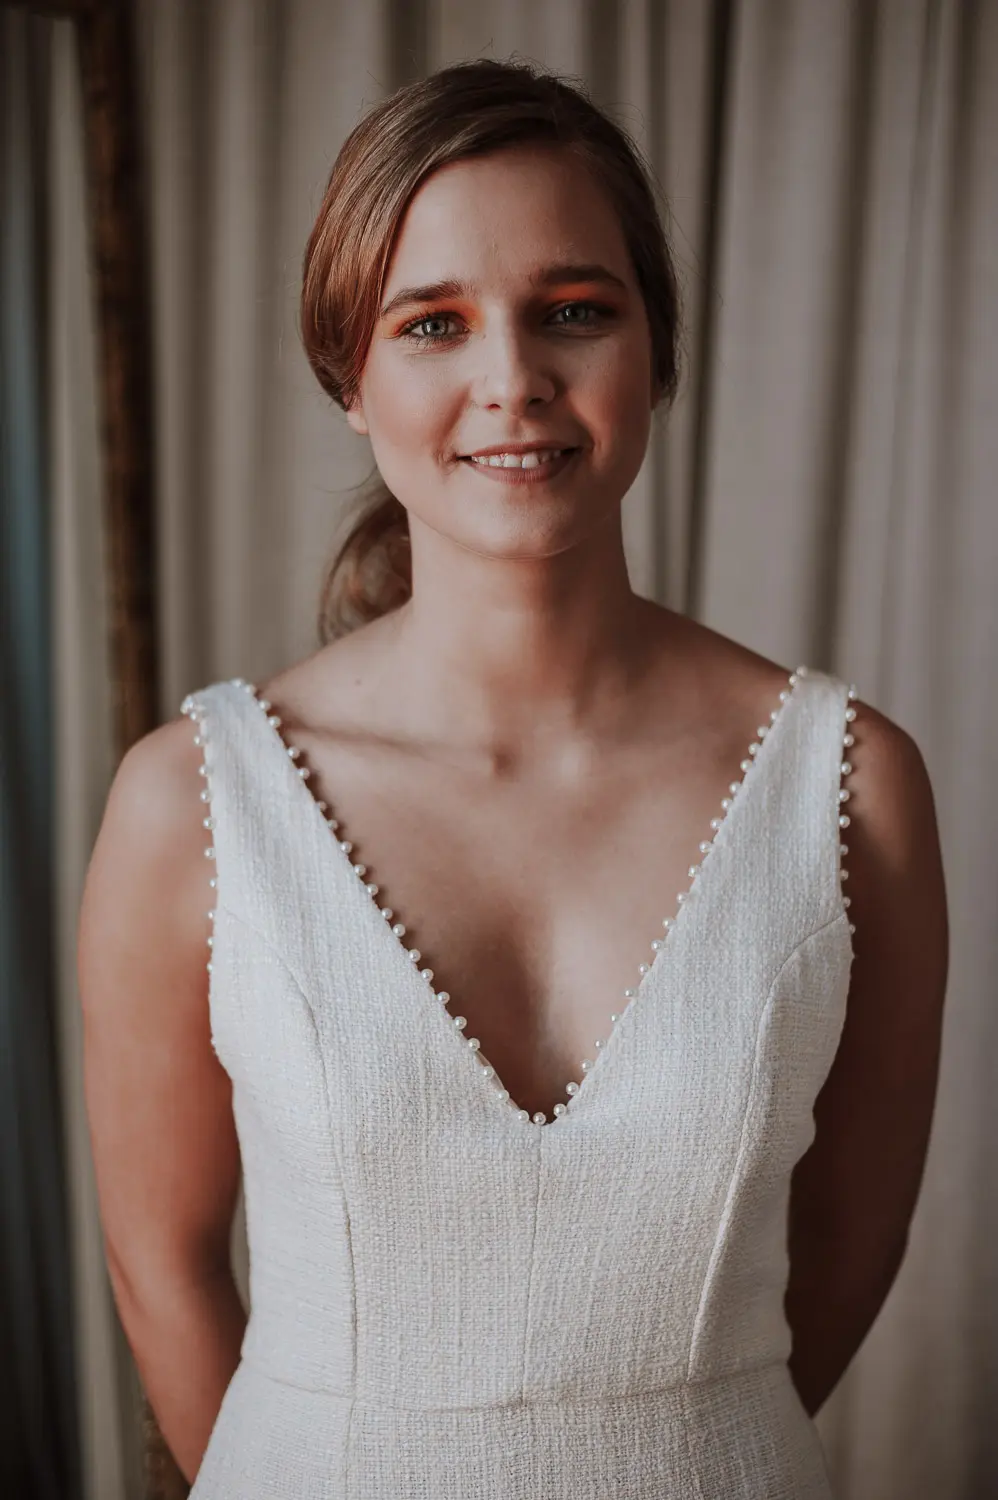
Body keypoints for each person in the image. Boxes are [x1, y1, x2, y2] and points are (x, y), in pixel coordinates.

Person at [77, 58, 949, 1499]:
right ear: (348, 378)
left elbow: (856, 1242)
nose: (513, 381)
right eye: (433, 323)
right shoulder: (193, 803)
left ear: (656, 350)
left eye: (575, 310)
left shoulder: (852, 788)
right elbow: (157, 1261)